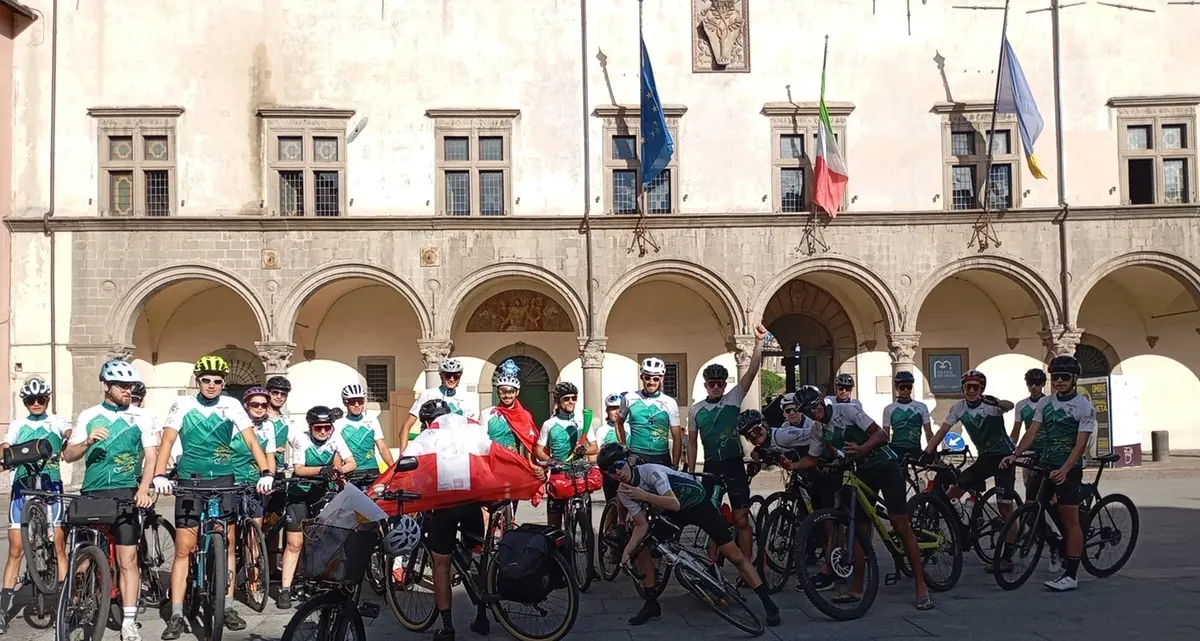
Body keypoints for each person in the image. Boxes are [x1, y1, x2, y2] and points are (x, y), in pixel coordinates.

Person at [152, 355, 274, 639]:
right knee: (184, 548)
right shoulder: (183, 404)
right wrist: (159, 475)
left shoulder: (231, 405)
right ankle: (178, 613)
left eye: (217, 381)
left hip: (223, 479)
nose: (211, 385)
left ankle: (228, 606)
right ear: (198, 381)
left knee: (228, 545)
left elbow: (251, 440)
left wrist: (265, 471)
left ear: (223, 383)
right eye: (206, 380)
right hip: (190, 480)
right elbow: (168, 440)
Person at [597, 442, 780, 627]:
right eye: (611, 471)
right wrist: (627, 552)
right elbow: (641, 525)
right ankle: (651, 604)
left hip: (697, 504)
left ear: (628, 460)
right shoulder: (624, 491)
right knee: (642, 548)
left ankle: (769, 604)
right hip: (674, 512)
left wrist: (643, 495)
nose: (617, 472)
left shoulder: (651, 472)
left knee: (735, 556)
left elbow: (674, 503)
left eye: (619, 465)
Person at [797, 386, 933, 610]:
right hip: (860, 471)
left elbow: (880, 433)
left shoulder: (847, 411)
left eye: (813, 405)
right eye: (806, 411)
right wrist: (790, 465)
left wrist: (862, 449)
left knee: (899, 523)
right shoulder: (818, 429)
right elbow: (811, 459)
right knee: (859, 529)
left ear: (821, 400)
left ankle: (921, 585)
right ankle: (857, 588)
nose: (812, 412)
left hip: (886, 466)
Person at [64, 361, 159, 641]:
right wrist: (87, 442)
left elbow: (151, 456)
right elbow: (69, 456)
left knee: (128, 560)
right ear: (106, 386)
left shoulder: (141, 416)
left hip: (126, 491)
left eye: (131, 386)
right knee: (82, 560)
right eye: (122, 386)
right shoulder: (89, 415)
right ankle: (78, 601)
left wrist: (143, 488)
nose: (128, 391)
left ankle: (128, 621)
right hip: (93, 492)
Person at [1001, 355, 1095, 592]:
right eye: (1056, 377)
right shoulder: (1045, 403)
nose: (1060, 381)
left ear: (1074, 379)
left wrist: (1065, 469)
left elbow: (1080, 444)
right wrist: (1015, 454)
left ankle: (1071, 574)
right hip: (1045, 464)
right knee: (1033, 512)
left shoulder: (1083, 406)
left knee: (1070, 520)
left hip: (1068, 468)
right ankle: (1057, 544)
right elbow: (1032, 432)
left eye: (1065, 377)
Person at [410, 399, 491, 641]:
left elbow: (409, 466)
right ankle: (483, 614)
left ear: (426, 422)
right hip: (471, 501)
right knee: (477, 554)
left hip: (443, 507)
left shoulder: (427, 437)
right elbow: (489, 451)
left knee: (441, 564)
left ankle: (447, 628)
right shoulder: (467, 431)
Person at [686, 323, 767, 562]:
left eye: (720, 383)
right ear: (705, 385)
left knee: (741, 518)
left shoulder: (733, 398)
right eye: (712, 383)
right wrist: (691, 471)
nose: (716, 387)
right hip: (711, 467)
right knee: (711, 519)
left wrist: (759, 342)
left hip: (733, 465)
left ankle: (748, 566)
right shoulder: (696, 409)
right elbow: (692, 442)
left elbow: (751, 371)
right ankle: (711, 566)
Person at [924, 369, 1017, 571]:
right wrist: (928, 451)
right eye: (968, 387)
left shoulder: (990, 406)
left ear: (981, 389)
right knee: (950, 494)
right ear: (963, 388)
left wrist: (998, 403)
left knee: (1005, 508)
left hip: (1004, 458)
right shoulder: (959, 407)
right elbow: (942, 430)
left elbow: (1010, 406)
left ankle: (1008, 558)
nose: (972, 390)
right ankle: (961, 531)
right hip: (984, 459)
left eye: (976, 387)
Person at [0, 378, 71, 635]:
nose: (37, 404)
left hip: (50, 488)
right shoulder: (18, 425)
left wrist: (69, 440)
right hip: (23, 489)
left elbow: (69, 434)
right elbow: (6, 446)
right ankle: (2, 610)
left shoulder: (57, 421)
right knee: (15, 551)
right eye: (31, 400)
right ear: (25, 402)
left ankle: (67, 603)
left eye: (41, 399)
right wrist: (5, 456)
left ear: (48, 400)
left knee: (59, 546)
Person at [277, 405, 356, 609]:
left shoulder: (335, 438)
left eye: (327, 428)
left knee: (324, 539)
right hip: (299, 494)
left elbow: (351, 462)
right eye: (318, 428)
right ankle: (285, 589)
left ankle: (320, 580)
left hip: (320, 493)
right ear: (310, 427)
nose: (323, 432)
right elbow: (300, 469)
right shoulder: (301, 440)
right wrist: (323, 469)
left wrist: (339, 470)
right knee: (295, 543)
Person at [226, 387, 276, 611]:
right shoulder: (235, 425)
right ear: (246, 405)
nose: (259, 408)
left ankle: (253, 585)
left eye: (264, 405)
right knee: (229, 538)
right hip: (232, 482)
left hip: (255, 484)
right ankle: (226, 588)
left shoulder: (269, 427)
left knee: (254, 540)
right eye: (255, 404)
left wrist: (270, 478)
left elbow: (270, 457)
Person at [535, 382, 597, 529]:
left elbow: (595, 447)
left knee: (585, 519)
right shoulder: (549, 424)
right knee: (554, 524)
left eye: (574, 398)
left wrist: (584, 451)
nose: (571, 402)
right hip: (559, 473)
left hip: (579, 472)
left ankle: (585, 543)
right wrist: (550, 460)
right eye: (566, 398)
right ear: (558, 401)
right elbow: (538, 450)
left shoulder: (582, 422)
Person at [399, 358, 479, 452]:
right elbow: (406, 426)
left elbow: (472, 428)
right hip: (430, 447)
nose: (452, 379)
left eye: (456, 376)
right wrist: (402, 455)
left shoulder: (465, 398)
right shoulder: (428, 395)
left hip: (455, 450)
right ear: (441, 376)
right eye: (448, 376)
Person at [615, 357, 682, 469]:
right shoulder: (629, 398)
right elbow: (618, 423)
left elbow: (677, 437)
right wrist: (624, 449)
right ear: (642, 377)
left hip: (661, 456)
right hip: (636, 456)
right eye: (647, 378)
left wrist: (675, 464)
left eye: (655, 379)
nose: (651, 382)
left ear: (662, 379)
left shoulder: (670, 402)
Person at [336, 383, 394, 475]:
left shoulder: (372, 420)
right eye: (352, 402)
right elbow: (337, 452)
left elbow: (382, 447)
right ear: (345, 402)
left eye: (360, 401)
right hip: (351, 471)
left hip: (372, 468)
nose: (357, 405)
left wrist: (392, 467)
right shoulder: (339, 424)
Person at [881, 371, 933, 463]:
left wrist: (933, 451)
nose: (906, 390)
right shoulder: (889, 409)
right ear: (896, 388)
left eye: (908, 387)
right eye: (902, 387)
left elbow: (928, 432)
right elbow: (886, 434)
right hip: (896, 449)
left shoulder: (922, 407)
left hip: (915, 448)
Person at [591, 394, 624, 503]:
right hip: (610, 474)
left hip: (628, 471)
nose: (616, 412)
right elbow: (597, 452)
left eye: (619, 408)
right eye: (613, 409)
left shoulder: (629, 427)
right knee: (612, 502)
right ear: (607, 411)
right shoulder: (602, 430)